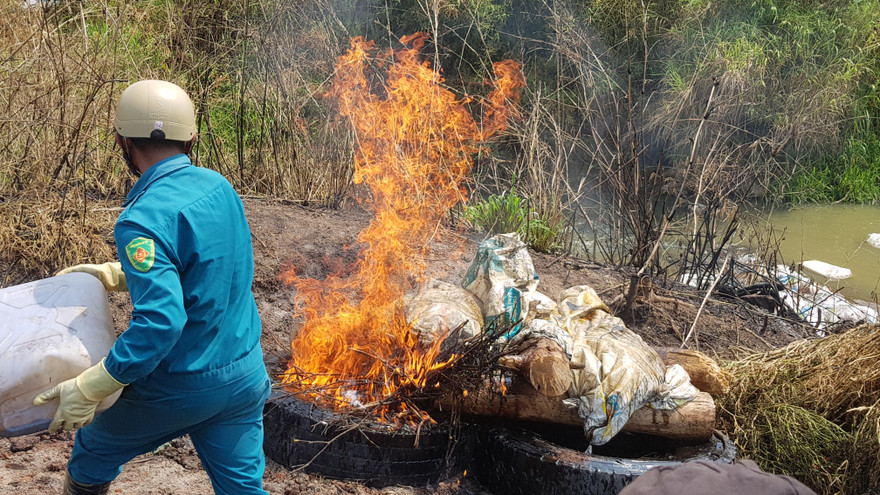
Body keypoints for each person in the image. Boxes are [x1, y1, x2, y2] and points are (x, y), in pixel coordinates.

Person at [33, 80, 270, 495]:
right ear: (192, 136)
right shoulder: (220, 187)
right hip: (244, 376)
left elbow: (160, 323)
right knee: (242, 490)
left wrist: (93, 385)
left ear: (122, 140)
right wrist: (119, 272)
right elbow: (212, 264)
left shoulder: (140, 220)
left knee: (92, 453)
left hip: (178, 386)